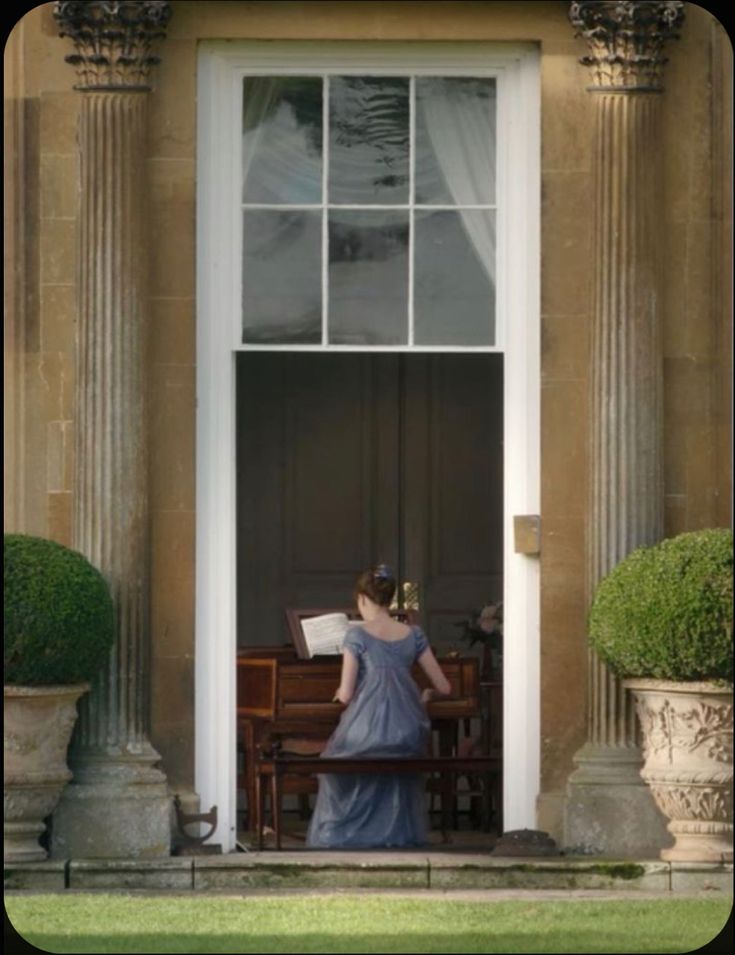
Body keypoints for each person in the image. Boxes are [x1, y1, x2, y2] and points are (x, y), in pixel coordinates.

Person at [305, 564, 452, 849]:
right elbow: (444, 687)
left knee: (335, 763)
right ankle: (391, 834)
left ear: (361, 598)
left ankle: (345, 835)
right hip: (408, 729)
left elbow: (346, 695)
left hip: (366, 728)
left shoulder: (356, 636)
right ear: (390, 598)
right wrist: (426, 696)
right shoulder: (415, 634)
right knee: (395, 770)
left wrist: (338, 692)